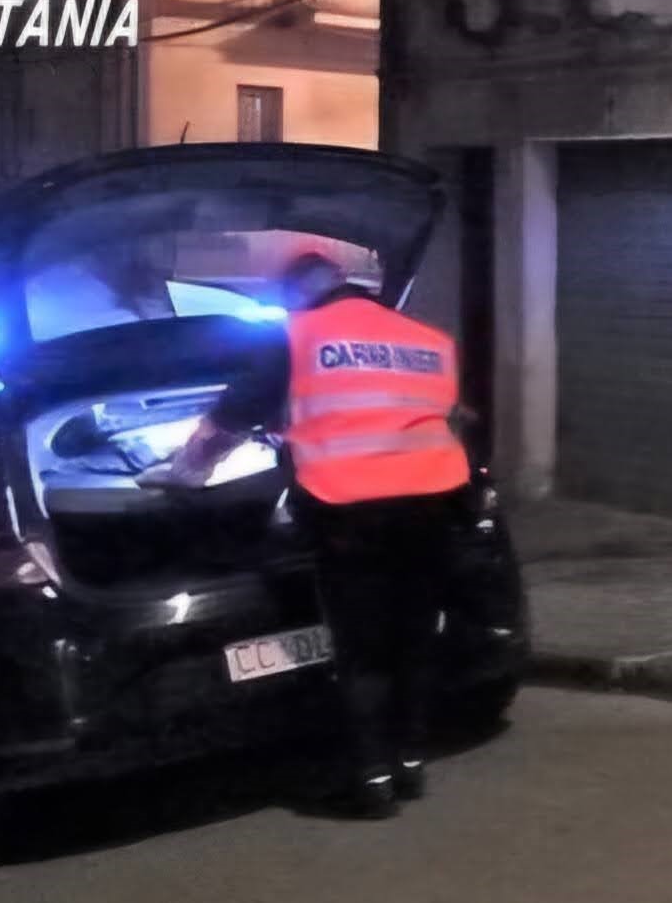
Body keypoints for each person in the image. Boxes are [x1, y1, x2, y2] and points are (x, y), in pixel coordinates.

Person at [139, 250, 473, 819]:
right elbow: (429, 414)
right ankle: (410, 765)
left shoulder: (298, 336)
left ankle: (372, 781)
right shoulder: (426, 339)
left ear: (296, 295)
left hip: (350, 511)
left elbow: (231, 419)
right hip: (432, 503)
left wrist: (184, 472)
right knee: (414, 637)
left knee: (362, 649)